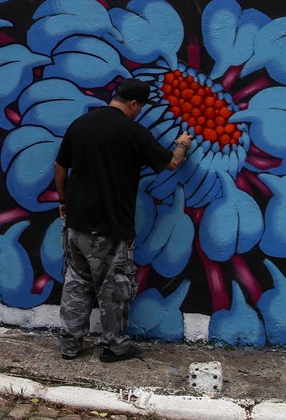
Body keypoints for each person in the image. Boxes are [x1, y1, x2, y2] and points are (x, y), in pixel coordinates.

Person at [53, 78, 192, 363]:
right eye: (140, 107)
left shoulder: (81, 124)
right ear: (133, 104)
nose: (139, 112)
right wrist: (182, 143)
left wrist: (64, 201)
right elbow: (171, 162)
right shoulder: (132, 131)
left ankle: (70, 345)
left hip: (76, 224)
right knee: (114, 290)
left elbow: (60, 165)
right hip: (110, 228)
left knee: (76, 285)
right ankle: (115, 347)